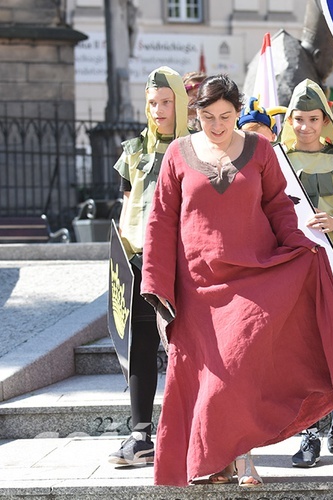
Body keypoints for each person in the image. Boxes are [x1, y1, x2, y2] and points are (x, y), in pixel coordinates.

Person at [139, 74, 333, 487]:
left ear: (238, 113)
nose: (218, 125)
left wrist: (301, 248)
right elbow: (160, 221)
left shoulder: (262, 149)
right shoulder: (177, 153)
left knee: (239, 369)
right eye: (208, 116)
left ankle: (243, 461)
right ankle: (219, 462)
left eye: (226, 116)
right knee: (212, 375)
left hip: (253, 275)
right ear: (196, 114)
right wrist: (157, 284)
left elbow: (279, 205)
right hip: (195, 286)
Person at [107, 66, 191, 468]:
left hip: (183, 260)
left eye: (166, 102)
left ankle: (192, 433)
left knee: (184, 346)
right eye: (152, 103)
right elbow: (127, 202)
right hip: (137, 258)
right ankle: (140, 435)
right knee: (139, 344)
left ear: (181, 102)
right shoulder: (134, 150)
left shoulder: (195, 148)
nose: (158, 110)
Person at [279, 78, 333, 467]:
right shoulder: (275, 164)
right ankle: (309, 432)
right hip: (292, 274)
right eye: (299, 118)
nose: (306, 126)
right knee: (300, 355)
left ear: (326, 120)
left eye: (314, 118)